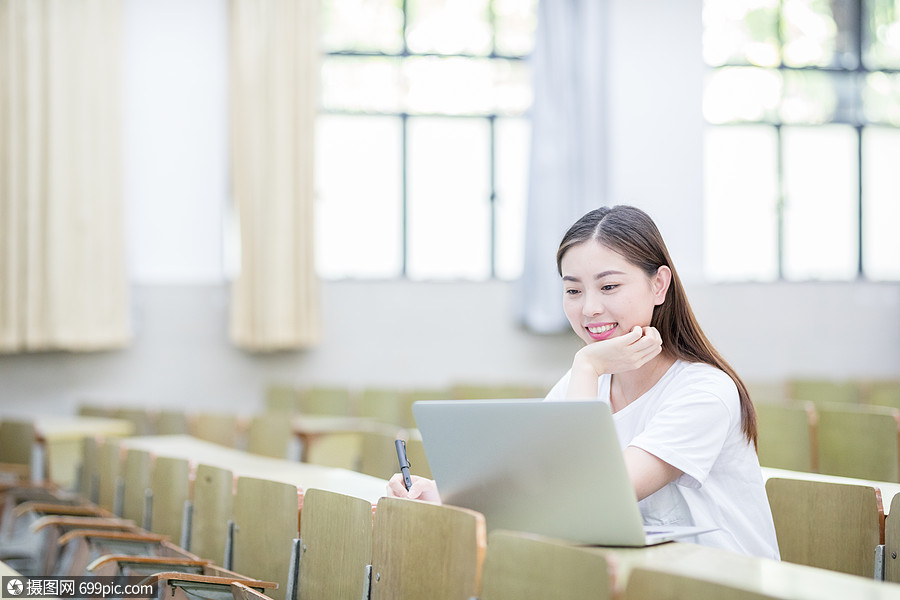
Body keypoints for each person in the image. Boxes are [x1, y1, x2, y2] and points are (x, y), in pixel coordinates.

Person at [388, 205, 780, 560]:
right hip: (639, 576)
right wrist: (441, 494)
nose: (589, 307)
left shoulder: (704, 391)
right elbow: (539, 482)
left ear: (659, 284)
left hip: (720, 582)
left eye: (609, 286)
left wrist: (588, 365)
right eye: (573, 290)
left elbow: (585, 496)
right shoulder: (582, 380)